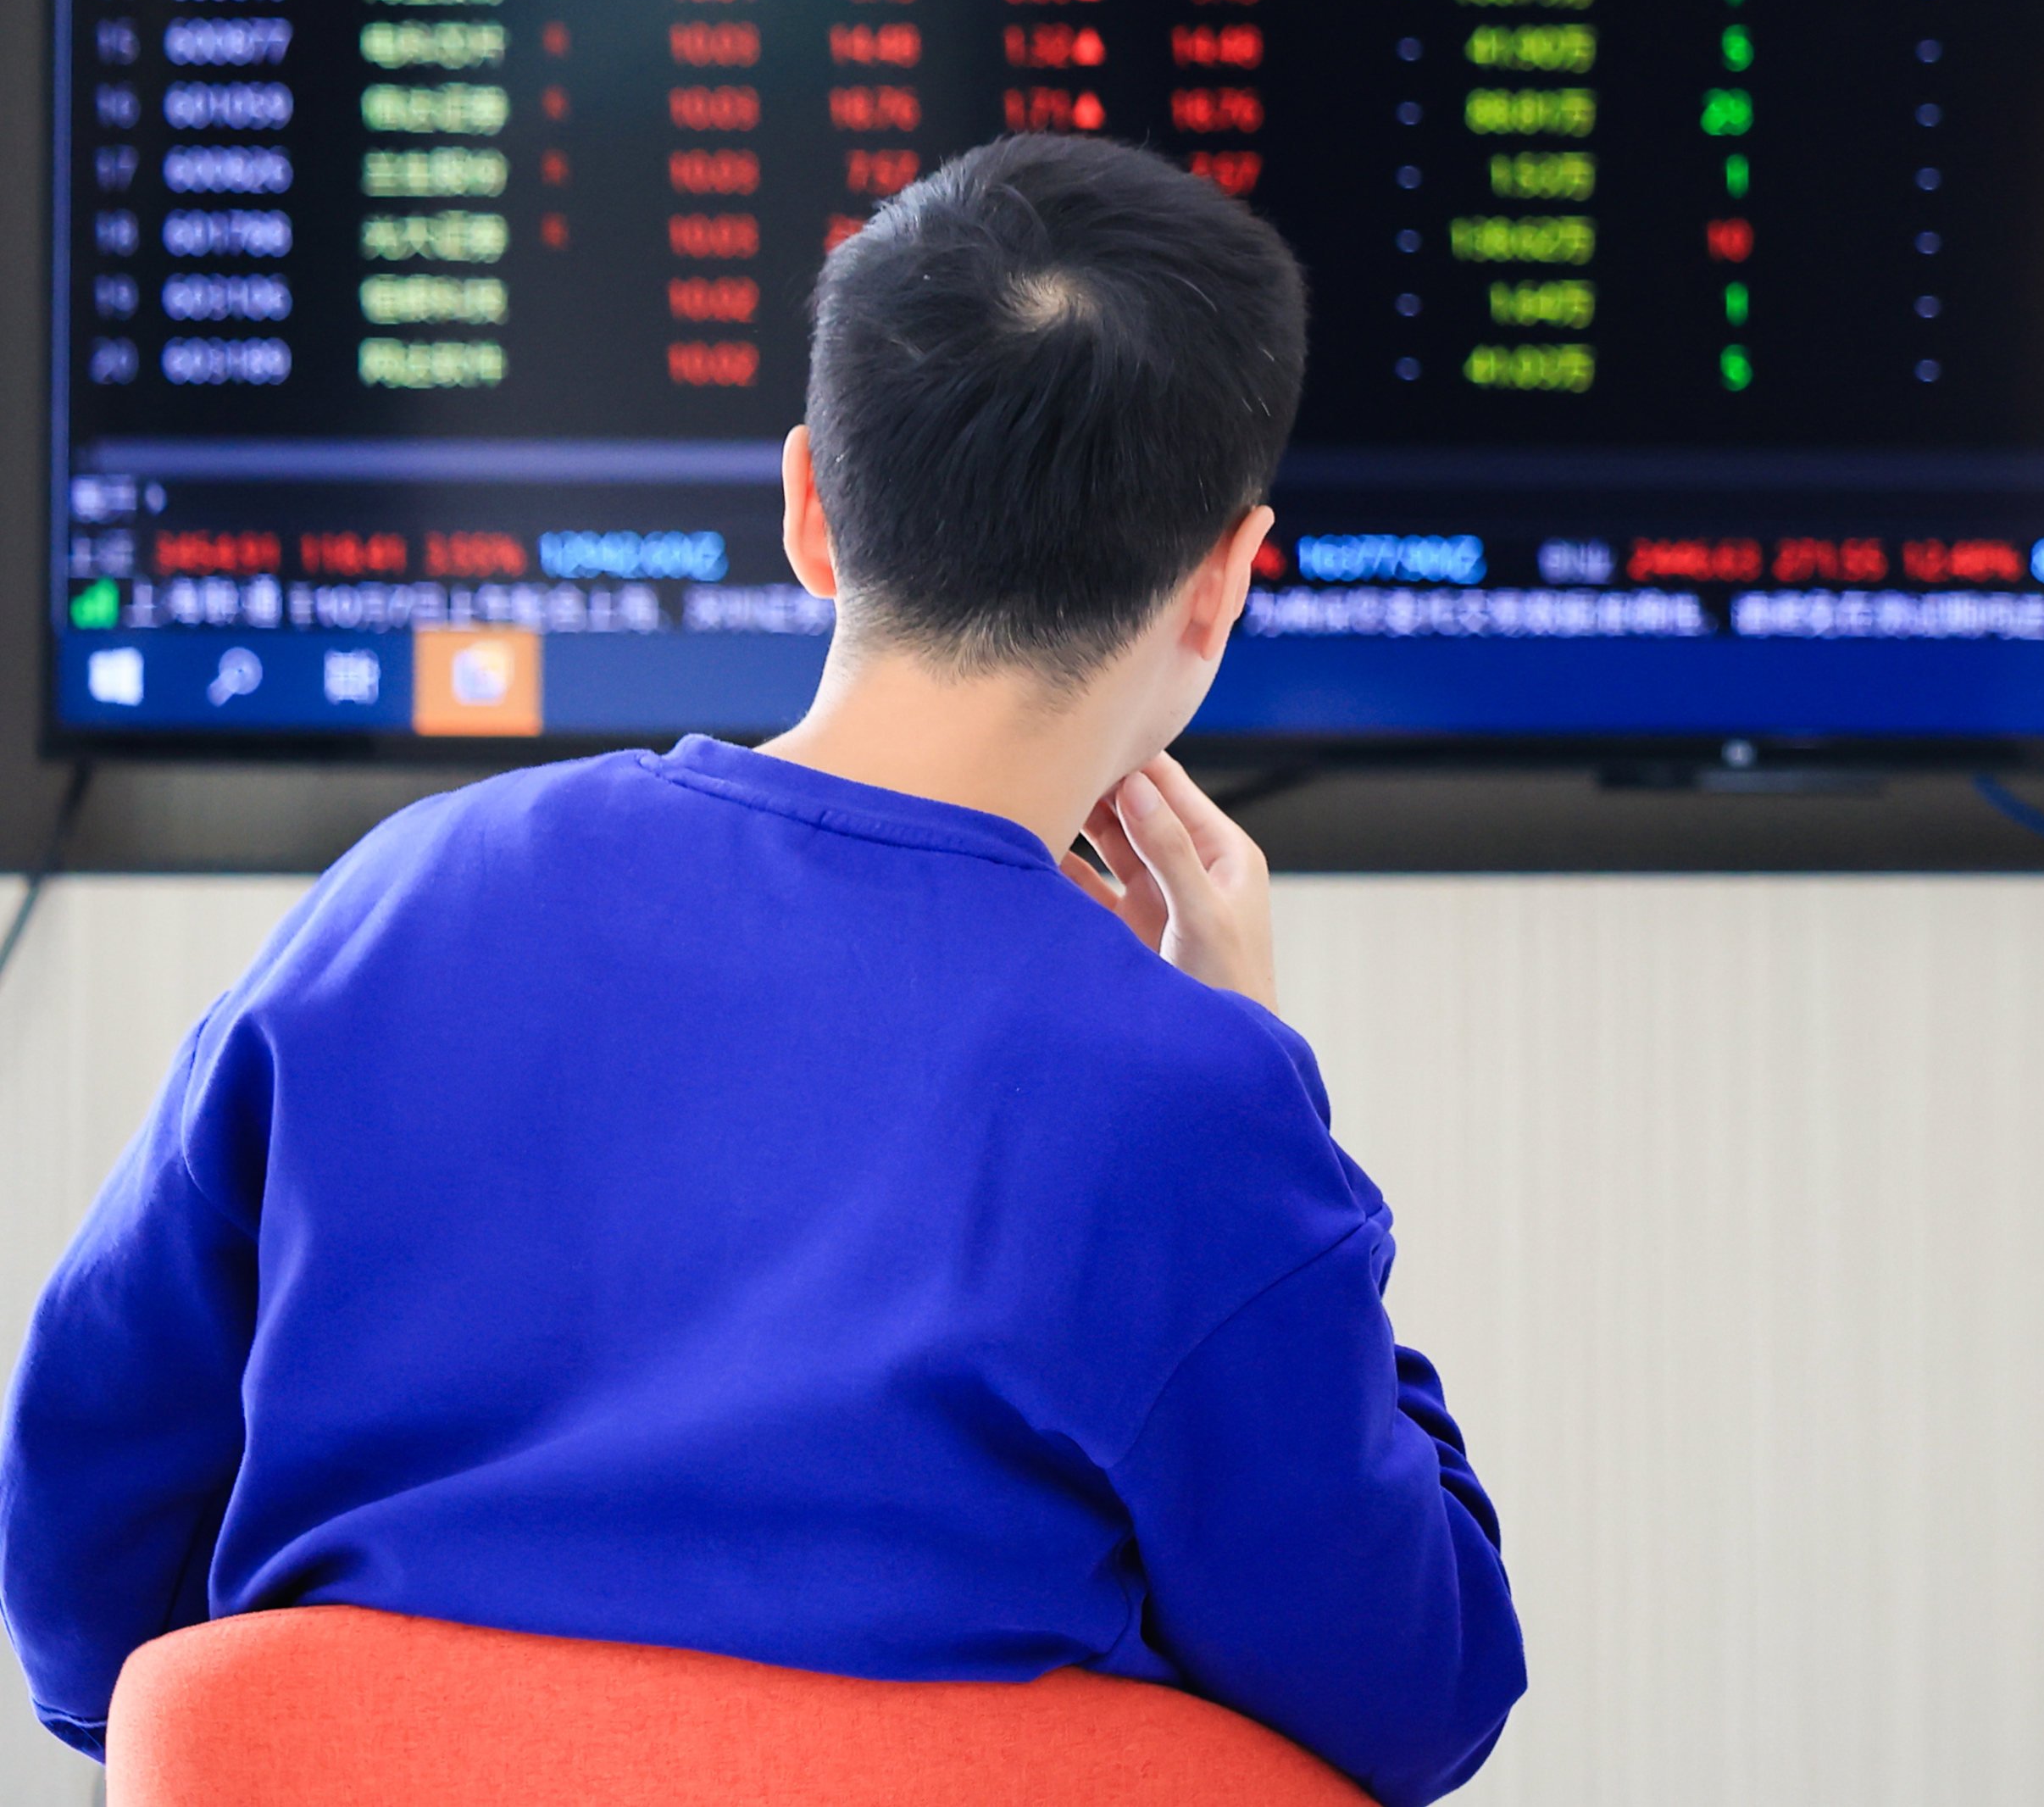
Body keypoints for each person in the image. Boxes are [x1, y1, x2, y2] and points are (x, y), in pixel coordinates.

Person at [0, 136, 1525, 1803]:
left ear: (807, 502)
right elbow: (1413, 1688)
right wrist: (1241, 1055)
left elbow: (87, 1568)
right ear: (1223, 580)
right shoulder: (1186, 1089)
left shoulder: (407, 892)